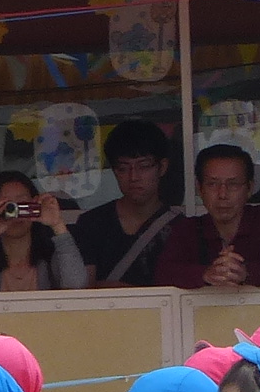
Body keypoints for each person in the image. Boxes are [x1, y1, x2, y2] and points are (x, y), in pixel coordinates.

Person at [153, 145, 260, 291]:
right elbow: (163, 274)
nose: (222, 194)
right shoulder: (187, 229)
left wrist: (245, 272)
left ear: (249, 188)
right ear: (200, 189)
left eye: (233, 184)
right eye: (212, 184)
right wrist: (206, 274)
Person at [70, 118, 180, 288]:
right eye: (123, 168)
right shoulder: (91, 224)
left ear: (162, 167)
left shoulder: (182, 228)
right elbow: (84, 291)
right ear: (114, 171)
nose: (133, 177)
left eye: (144, 166)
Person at [0, 173, 85, 294]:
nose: (16, 212)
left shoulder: (51, 259)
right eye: (8, 206)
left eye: (22, 203)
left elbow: (76, 286)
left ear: (35, 204)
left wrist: (58, 225)